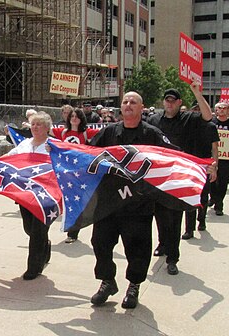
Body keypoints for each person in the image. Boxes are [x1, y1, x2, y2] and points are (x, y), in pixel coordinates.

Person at [88, 91, 175, 309]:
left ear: (142, 107)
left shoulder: (152, 134)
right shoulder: (108, 133)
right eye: (125, 101)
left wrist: (203, 165)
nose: (128, 105)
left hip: (138, 206)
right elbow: (86, 153)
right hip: (108, 205)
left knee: (138, 249)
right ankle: (107, 282)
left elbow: (175, 156)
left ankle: (133, 285)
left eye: (133, 102)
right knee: (100, 244)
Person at [147, 84, 214, 275]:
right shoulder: (154, 120)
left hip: (178, 176)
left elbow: (208, 117)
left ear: (179, 103)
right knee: (159, 214)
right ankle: (162, 244)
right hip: (159, 175)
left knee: (175, 218)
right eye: (166, 100)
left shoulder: (188, 119)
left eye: (173, 101)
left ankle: (172, 257)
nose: (169, 104)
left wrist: (196, 91)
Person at [6, 112, 54, 280]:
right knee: (29, 228)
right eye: (33, 124)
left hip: (46, 195)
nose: (34, 127)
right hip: (26, 193)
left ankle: (34, 268)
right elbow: (10, 157)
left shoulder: (53, 145)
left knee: (37, 229)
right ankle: (45, 245)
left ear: (47, 128)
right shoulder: (25, 144)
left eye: (39, 124)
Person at [51, 108, 97, 243]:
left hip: (81, 173)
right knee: (68, 200)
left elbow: (106, 133)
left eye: (77, 116)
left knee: (77, 201)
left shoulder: (86, 132)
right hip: (66, 172)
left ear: (81, 119)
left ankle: (73, 232)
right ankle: (71, 228)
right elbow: (44, 130)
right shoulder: (63, 132)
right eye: (72, 116)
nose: (74, 119)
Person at [208, 102, 229, 216]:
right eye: (219, 108)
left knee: (223, 181)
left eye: (224, 108)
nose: (221, 110)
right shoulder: (211, 123)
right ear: (216, 110)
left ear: (228, 110)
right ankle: (213, 198)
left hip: (226, 159)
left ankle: (219, 204)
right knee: (211, 180)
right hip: (212, 157)